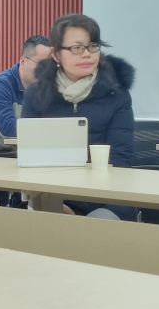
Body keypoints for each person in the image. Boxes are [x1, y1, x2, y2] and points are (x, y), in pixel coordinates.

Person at [21, 13, 136, 221]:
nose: (87, 54)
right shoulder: (36, 95)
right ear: (56, 55)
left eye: (93, 46)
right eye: (77, 48)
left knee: (96, 225)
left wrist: (80, 208)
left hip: (107, 197)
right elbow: (31, 160)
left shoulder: (117, 94)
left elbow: (120, 161)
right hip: (52, 196)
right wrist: (56, 202)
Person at [0, 35, 51, 156]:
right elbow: (8, 130)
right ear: (23, 62)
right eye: (42, 64)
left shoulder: (47, 88)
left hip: (24, 155)